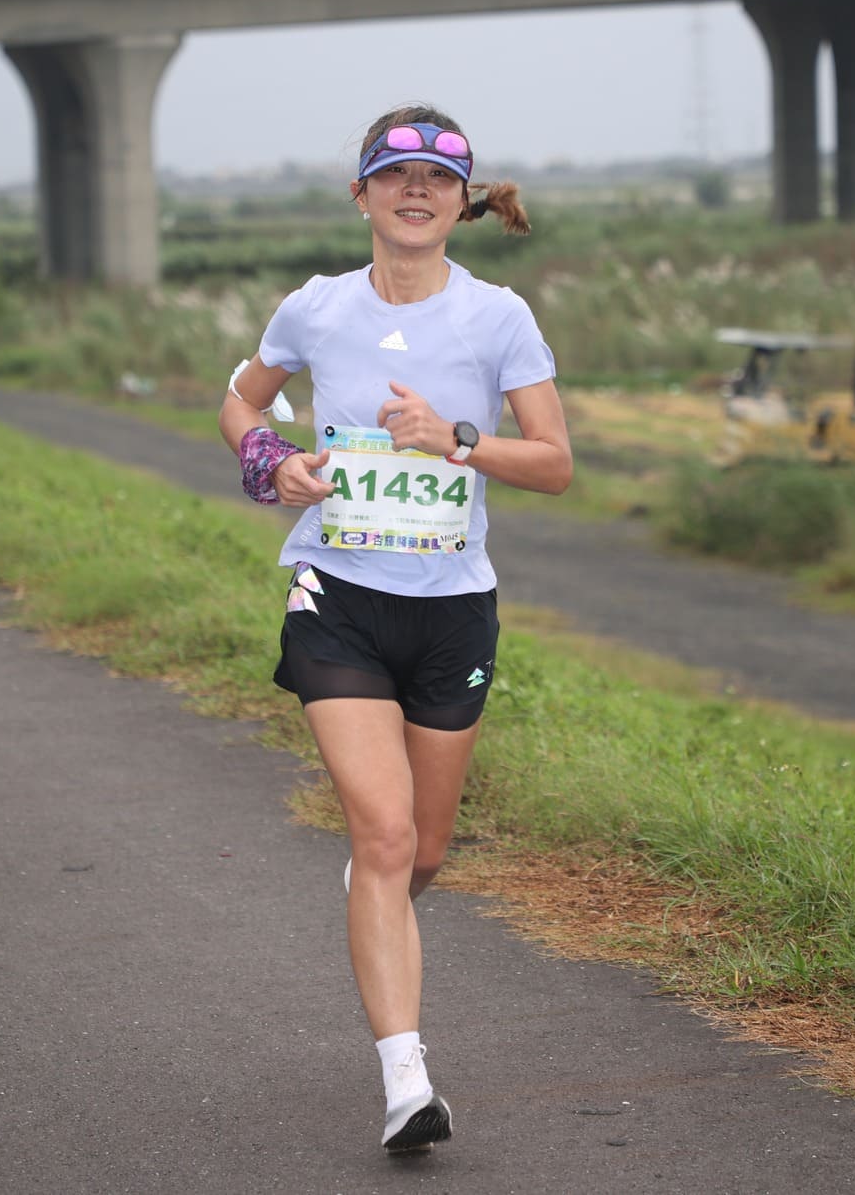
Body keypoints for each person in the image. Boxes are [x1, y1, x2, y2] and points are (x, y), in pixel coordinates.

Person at [218, 104, 572, 1153]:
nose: (414, 191)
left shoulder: (497, 317)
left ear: (463, 202)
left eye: (435, 178)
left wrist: (456, 439)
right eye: (394, 174)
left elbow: (553, 462)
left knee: (420, 852)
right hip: (337, 594)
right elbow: (240, 403)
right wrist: (266, 465)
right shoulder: (316, 310)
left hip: (452, 609)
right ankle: (405, 1082)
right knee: (380, 835)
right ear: (362, 194)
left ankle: (382, 891)